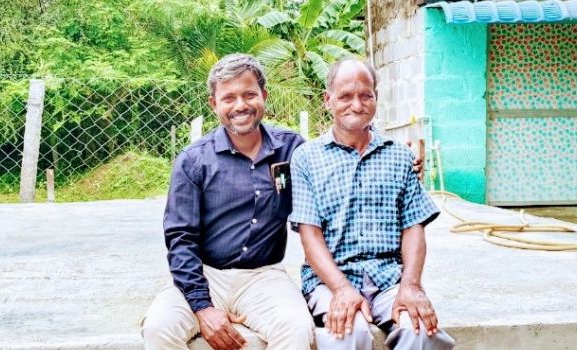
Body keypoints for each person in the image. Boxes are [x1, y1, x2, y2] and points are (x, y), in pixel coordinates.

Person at [140, 54, 314, 350]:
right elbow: (180, 239)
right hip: (206, 274)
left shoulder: (291, 148)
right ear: (214, 104)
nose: (240, 106)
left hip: (264, 277)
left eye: (249, 94)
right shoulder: (194, 161)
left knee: (296, 329)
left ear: (264, 96)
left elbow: (334, 170)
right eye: (228, 97)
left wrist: (396, 156)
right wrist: (203, 307)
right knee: (159, 328)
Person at [289, 57, 455, 350]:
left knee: (421, 331)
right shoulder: (307, 158)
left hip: (389, 277)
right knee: (348, 333)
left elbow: (414, 227)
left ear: (376, 98)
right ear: (328, 100)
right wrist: (341, 289)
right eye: (345, 96)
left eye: (366, 95)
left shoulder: (399, 156)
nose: (357, 104)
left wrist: (411, 285)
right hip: (331, 278)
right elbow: (309, 235)